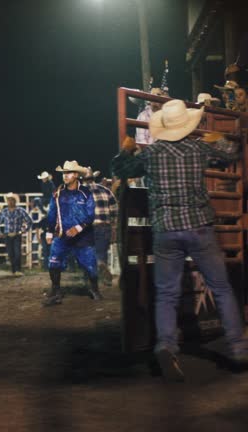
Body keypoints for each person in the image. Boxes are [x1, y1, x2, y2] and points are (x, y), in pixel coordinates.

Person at [111, 99, 248, 379]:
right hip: (199, 227)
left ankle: (166, 346)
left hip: (166, 230)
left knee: (166, 294)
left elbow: (121, 171)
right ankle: (238, 347)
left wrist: (125, 152)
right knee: (221, 288)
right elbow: (232, 155)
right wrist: (219, 138)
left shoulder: (152, 154)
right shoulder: (198, 148)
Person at [43, 160, 102, 306]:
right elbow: (52, 213)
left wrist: (78, 228)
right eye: (64, 173)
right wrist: (49, 232)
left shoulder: (85, 193)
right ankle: (56, 290)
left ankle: (94, 288)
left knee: (90, 266)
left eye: (68, 173)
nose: (65, 176)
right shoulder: (57, 192)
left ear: (76, 175)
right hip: (62, 236)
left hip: (83, 237)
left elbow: (90, 214)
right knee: (54, 263)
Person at [82, 167, 117, 286]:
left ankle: (89, 280)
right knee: (102, 252)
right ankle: (102, 267)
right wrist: (112, 226)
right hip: (104, 226)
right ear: (93, 178)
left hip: (87, 228)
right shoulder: (106, 190)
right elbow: (114, 210)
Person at [0, 192, 32, 276]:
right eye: (9, 200)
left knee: (17, 253)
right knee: (11, 253)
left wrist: (23, 230)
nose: (10, 202)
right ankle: (14, 270)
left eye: (12, 200)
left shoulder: (20, 210)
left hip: (16, 234)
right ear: (7, 201)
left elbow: (29, 221)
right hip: (7, 235)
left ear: (15, 201)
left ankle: (17, 270)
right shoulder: (4, 211)